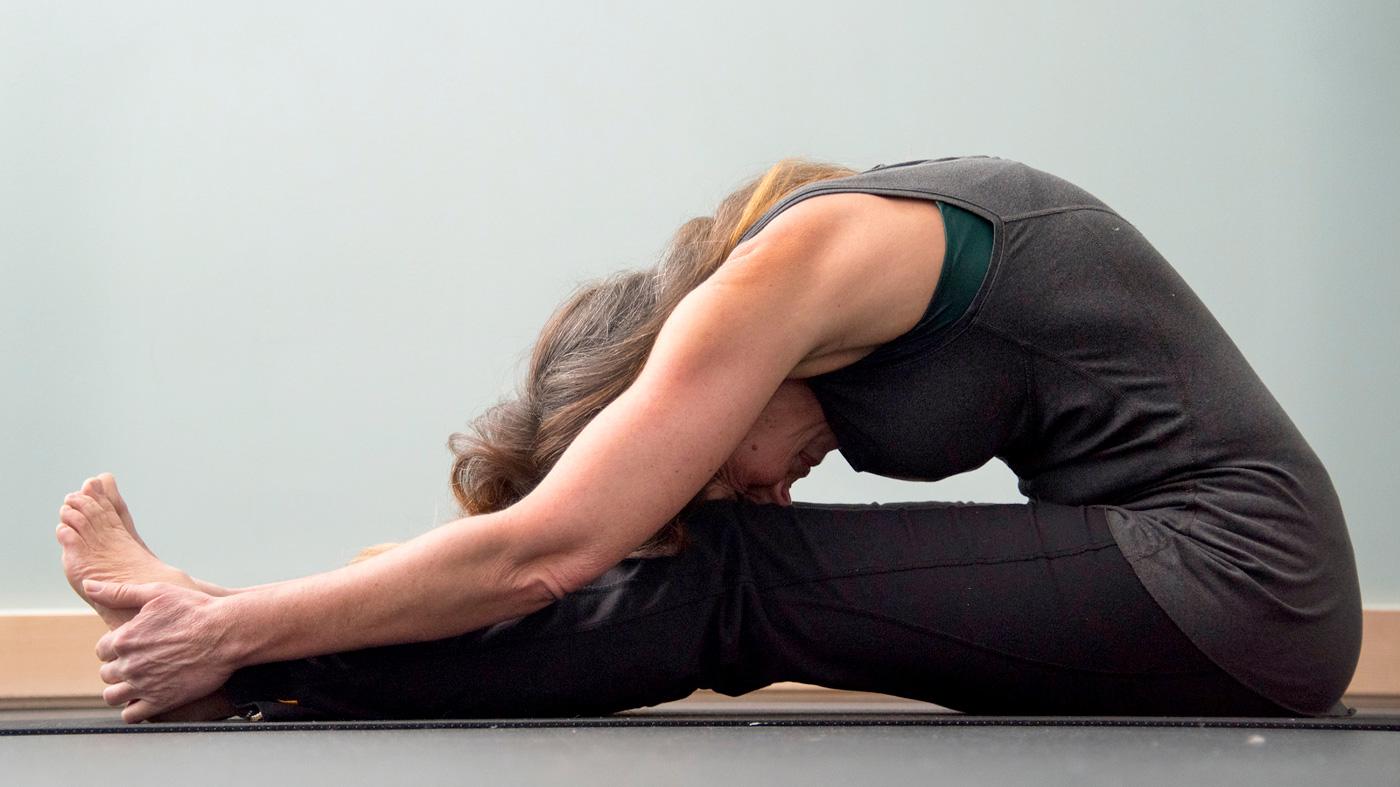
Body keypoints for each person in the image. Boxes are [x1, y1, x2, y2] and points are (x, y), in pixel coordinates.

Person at [56, 156, 1362, 723]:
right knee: (719, 571)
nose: (756, 489)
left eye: (697, 473)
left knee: (730, 583)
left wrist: (239, 627)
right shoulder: (837, 265)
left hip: (1236, 576)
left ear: (674, 384)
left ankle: (230, 652)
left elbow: (548, 552)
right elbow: (548, 546)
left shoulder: (778, 277)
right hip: (1224, 595)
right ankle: (261, 633)